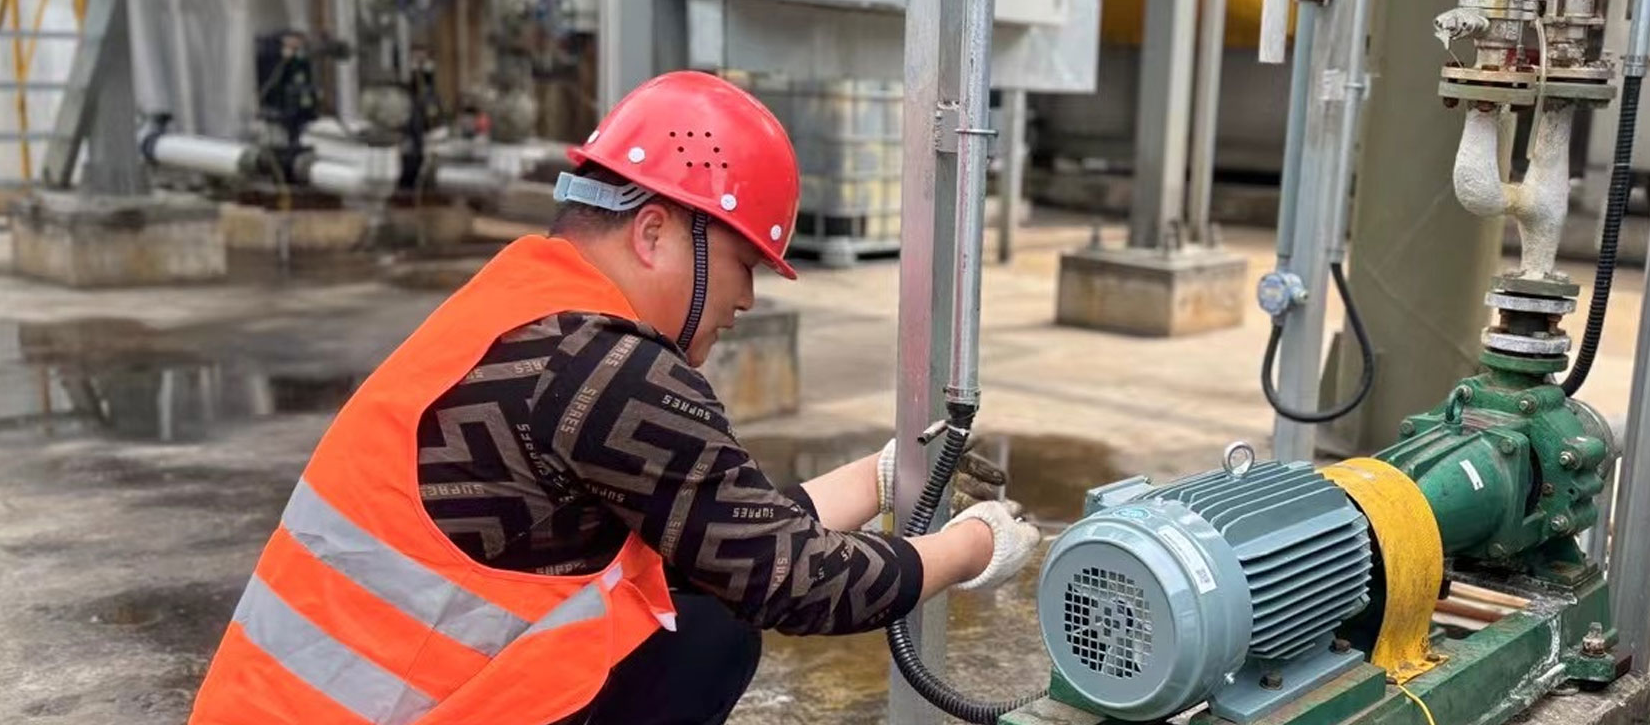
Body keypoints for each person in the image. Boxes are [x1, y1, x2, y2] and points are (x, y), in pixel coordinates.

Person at [188, 71, 1041, 725]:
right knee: (705, 641)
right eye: (743, 263)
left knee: (688, 613)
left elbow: (710, 542)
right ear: (656, 231)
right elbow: (793, 583)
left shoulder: (524, 307)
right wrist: (973, 548)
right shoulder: (602, 367)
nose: (746, 300)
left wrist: (875, 480)